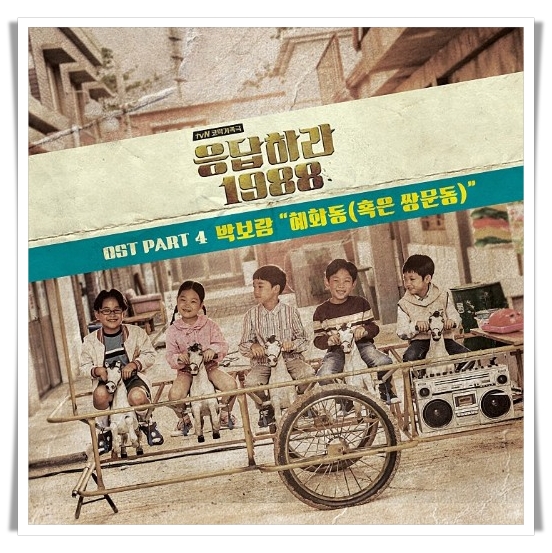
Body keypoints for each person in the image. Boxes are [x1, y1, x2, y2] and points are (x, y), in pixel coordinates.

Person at [79, 288, 164, 453]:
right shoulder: (90, 341)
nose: (112, 315)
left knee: (137, 397)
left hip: (132, 378)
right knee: (100, 396)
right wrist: (96, 371)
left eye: (117, 310)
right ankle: (105, 430)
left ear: (123, 313)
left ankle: (146, 422)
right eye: (106, 311)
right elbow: (83, 366)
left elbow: (150, 354)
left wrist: (134, 364)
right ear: (97, 314)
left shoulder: (136, 333)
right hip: (107, 380)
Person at [239, 264, 315, 427]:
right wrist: (253, 347)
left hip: (290, 360)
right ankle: (266, 407)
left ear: (275, 289)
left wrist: (292, 344)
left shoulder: (290, 312)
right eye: (254, 286)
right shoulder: (251, 315)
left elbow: (304, 340)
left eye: (260, 286)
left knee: (308, 374)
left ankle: (304, 401)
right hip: (263, 363)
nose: (256, 291)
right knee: (251, 383)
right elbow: (243, 344)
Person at [313, 258, 398, 404]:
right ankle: (344, 400)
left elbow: (374, 327)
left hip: (363, 346)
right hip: (337, 351)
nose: (341, 286)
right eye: (336, 281)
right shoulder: (321, 311)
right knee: (324, 375)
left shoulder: (361, 303)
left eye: (346, 281)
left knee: (385, 361)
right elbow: (317, 339)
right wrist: (329, 340)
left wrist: (364, 330)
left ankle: (385, 391)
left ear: (353, 284)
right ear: (327, 282)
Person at [165, 280, 238, 437]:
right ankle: (185, 419)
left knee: (231, 385)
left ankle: (224, 413)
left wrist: (213, 350)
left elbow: (222, 344)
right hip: (186, 371)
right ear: (177, 301)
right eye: (183, 300)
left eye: (193, 301)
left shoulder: (209, 325)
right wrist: (179, 358)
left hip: (209, 367)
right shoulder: (173, 330)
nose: (187, 305)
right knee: (174, 395)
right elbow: (169, 355)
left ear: (201, 305)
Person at [397, 254, 471, 371]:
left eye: (412, 279)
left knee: (468, 357)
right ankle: (419, 380)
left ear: (427, 279)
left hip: (443, 339)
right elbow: (401, 330)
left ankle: (458, 376)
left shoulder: (442, 296)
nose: (407, 284)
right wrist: (415, 326)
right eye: (405, 279)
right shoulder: (404, 303)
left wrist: (452, 322)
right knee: (409, 358)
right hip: (421, 341)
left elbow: (455, 316)